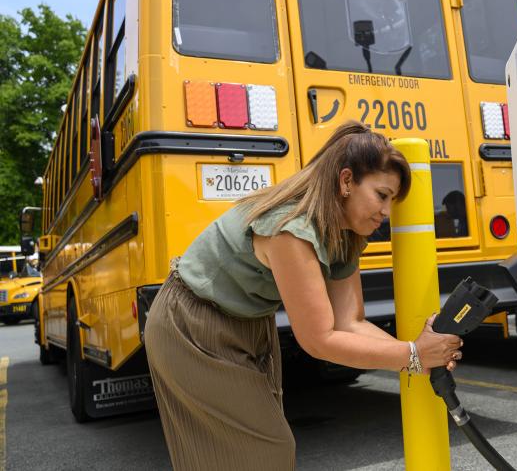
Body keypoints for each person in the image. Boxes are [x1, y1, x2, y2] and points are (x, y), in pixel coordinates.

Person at [144, 121, 463, 470]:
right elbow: (320, 340)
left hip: (246, 321)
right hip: (192, 322)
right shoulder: (292, 229)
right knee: (265, 454)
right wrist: (413, 355)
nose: (386, 212)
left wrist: (418, 351)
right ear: (345, 181)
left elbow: (349, 323)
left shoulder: (345, 233)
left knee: (239, 459)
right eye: (382, 195)